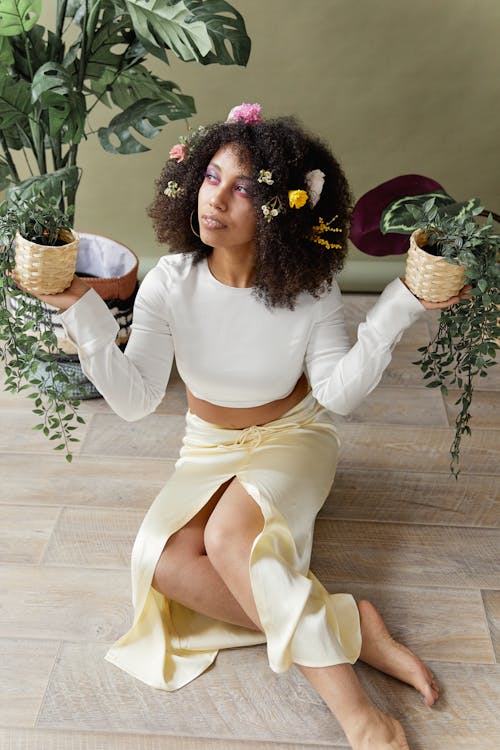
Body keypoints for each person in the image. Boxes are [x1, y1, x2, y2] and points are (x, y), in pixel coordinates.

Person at [24, 103, 468, 750]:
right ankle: (352, 630)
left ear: (281, 210)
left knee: (233, 540)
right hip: (205, 446)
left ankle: (361, 718)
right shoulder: (169, 284)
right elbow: (137, 401)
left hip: (292, 439)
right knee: (163, 564)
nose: (217, 200)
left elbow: (339, 396)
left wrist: (399, 306)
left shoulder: (310, 293)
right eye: (211, 178)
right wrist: (86, 319)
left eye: (243, 189)